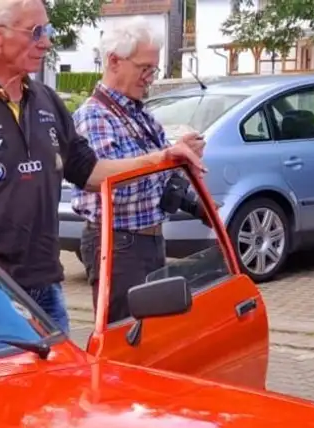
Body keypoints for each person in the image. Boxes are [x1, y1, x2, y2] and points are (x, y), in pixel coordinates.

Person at [0, 0, 203, 335]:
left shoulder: (46, 101)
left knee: (58, 387)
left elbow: (91, 173)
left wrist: (162, 159)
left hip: (46, 289)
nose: (46, 41)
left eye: (48, 30)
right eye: (36, 32)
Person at [73, 18, 206, 322]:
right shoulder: (94, 116)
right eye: (144, 68)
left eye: (153, 70)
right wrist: (163, 158)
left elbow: (162, 181)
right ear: (114, 61)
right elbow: (114, 187)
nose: (150, 78)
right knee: (125, 342)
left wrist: (180, 157)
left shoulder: (139, 114)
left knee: (152, 338)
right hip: (119, 245)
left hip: (149, 241)